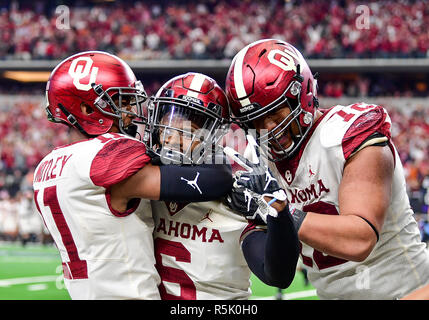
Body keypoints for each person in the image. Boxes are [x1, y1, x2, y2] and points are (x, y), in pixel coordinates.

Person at [224, 38, 429, 299]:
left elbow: (360, 238)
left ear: (302, 94)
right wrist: (259, 221)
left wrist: (280, 212)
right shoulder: (259, 163)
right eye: (256, 122)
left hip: (406, 292)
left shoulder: (349, 132)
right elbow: (278, 274)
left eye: (276, 115)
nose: (270, 131)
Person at [33, 51, 233, 300]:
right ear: (86, 107)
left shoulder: (46, 166)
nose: (129, 112)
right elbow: (214, 182)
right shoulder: (105, 154)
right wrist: (214, 149)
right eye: (120, 102)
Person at [146, 72, 299, 299]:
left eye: (186, 131)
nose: (171, 139)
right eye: (167, 127)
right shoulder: (140, 187)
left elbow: (277, 275)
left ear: (211, 139)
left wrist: (279, 212)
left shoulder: (237, 199)